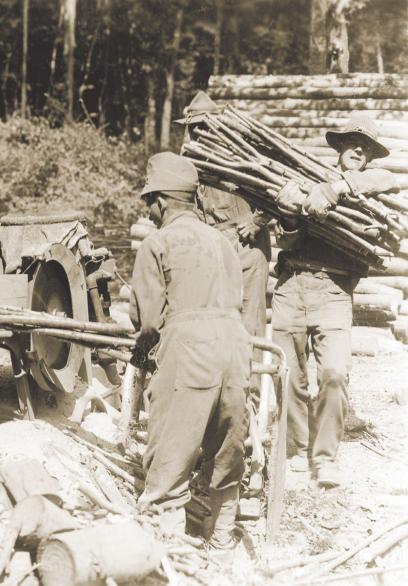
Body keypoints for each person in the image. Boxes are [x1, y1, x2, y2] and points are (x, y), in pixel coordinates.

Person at [130, 152, 251, 549]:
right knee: (226, 444)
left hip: (189, 350)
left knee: (173, 444)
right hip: (235, 348)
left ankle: (166, 546)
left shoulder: (157, 243)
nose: (148, 210)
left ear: (161, 201)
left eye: (149, 201)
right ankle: (220, 536)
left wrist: (143, 349)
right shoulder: (224, 241)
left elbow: (148, 321)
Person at [272, 115, 398, 488]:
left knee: (333, 375)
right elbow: (285, 242)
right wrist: (290, 218)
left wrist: (339, 188)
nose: (359, 149)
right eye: (352, 142)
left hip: (334, 290)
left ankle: (324, 458)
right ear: (340, 147)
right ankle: (295, 451)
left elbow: (389, 179)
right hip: (292, 283)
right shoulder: (306, 177)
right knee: (289, 376)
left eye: (366, 146)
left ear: (370, 156)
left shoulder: (371, 190)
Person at [177, 91, 272, 347]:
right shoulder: (192, 163)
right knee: (214, 319)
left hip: (246, 247)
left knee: (249, 319)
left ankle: (251, 385)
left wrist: (257, 221)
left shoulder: (239, 156)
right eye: (192, 129)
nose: (195, 134)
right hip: (212, 248)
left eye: (201, 127)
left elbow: (276, 193)